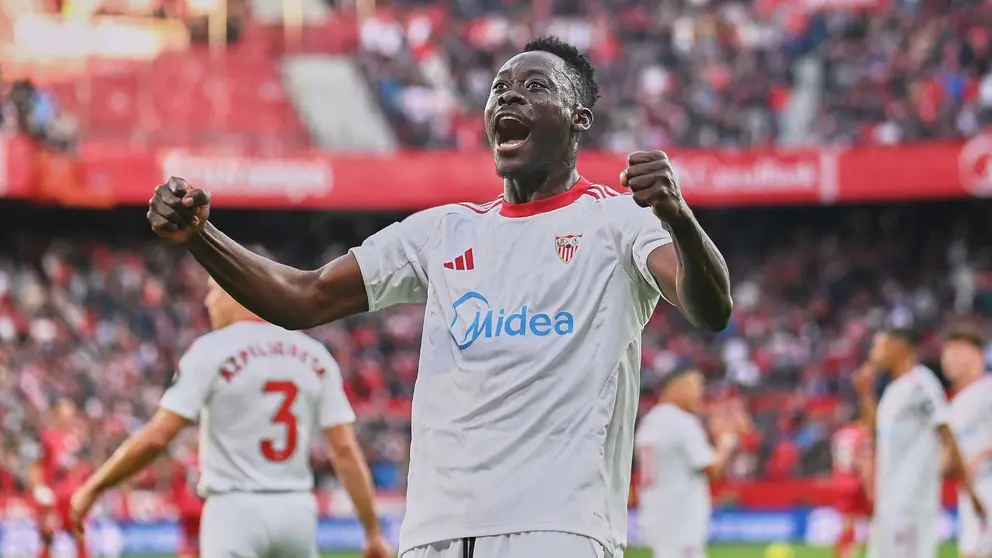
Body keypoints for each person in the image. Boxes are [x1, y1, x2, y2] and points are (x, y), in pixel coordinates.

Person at [146, 35, 733, 558]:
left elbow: (709, 308)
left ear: (579, 118)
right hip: (435, 532)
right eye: (499, 87)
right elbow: (303, 298)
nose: (509, 95)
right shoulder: (442, 232)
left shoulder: (620, 222)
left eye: (535, 86)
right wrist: (199, 236)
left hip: (558, 528)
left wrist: (679, 218)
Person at [68, 277, 390, 558]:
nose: (208, 302)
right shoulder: (315, 354)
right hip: (296, 510)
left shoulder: (211, 350)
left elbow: (158, 437)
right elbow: (344, 451)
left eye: (213, 291)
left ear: (236, 292)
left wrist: (95, 487)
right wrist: (372, 532)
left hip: (233, 510)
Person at [855, 328, 986, 558]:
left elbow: (946, 432)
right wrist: (866, 394)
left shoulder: (921, 383)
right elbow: (878, 433)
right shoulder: (894, 389)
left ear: (898, 346)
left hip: (911, 504)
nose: (874, 354)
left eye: (879, 346)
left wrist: (969, 488)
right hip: (889, 501)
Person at [635, 368, 738, 558]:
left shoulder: (650, 420)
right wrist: (725, 442)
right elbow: (713, 470)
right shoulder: (681, 421)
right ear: (676, 386)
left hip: (656, 512)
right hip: (680, 518)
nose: (699, 392)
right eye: (695, 385)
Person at [942, 328, 992, 558]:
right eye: (945, 353)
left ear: (977, 354)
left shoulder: (988, 390)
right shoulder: (957, 402)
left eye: (956, 351)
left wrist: (981, 456)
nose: (947, 359)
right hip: (971, 496)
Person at [29, 397, 90, 558]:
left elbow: (79, 468)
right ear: (57, 414)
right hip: (54, 497)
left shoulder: (75, 438)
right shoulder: (47, 437)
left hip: (72, 497)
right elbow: (36, 465)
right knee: (48, 536)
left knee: (80, 533)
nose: (70, 416)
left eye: (71, 412)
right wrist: (38, 488)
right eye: (66, 412)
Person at [830, 417, 873, 558]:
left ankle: (843, 555)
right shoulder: (863, 433)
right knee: (874, 520)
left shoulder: (840, 434)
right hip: (856, 481)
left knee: (847, 523)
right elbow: (865, 462)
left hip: (840, 480)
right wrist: (869, 487)